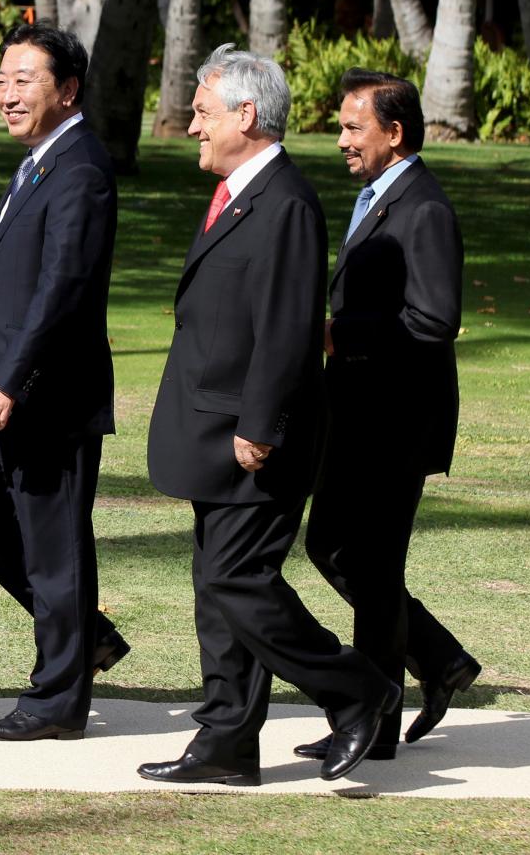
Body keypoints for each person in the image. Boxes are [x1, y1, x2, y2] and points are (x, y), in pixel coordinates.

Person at [137, 45, 396, 786]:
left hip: (255, 438)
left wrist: (259, 426)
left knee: (236, 580)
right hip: (214, 430)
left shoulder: (284, 202)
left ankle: (357, 689)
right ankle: (227, 740)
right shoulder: (240, 193)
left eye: (202, 112)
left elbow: (286, 328)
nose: (192, 126)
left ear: (245, 115)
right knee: (217, 587)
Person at [292, 68, 477, 764]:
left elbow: (434, 319)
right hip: (359, 416)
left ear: (394, 133)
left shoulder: (423, 208)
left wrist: (340, 334)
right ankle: (434, 659)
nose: (342, 139)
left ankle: (375, 719)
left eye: (352, 127)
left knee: (363, 561)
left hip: (397, 422)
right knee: (340, 550)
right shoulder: (379, 196)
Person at [0, 22, 128, 743]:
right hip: (9, 395)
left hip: (44, 398)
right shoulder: (42, 163)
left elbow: (63, 289)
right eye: (2, 80)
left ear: (68, 90)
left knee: (55, 553)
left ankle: (56, 701)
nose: (7, 94)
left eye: (24, 79)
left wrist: (10, 380)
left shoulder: (80, 167)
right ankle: (86, 639)